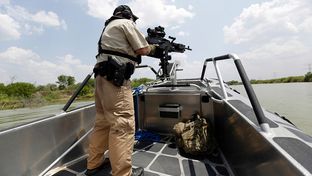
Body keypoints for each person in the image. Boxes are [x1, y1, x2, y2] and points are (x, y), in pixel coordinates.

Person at [85, 5, 155, 176]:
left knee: (102, 123)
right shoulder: (126, 23)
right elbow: (143, 49)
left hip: (101, 79)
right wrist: (154, 47)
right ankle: (123, 173)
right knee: (123, 125)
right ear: (128, 15)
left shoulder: (109, 27)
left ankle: (93, 164)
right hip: (116, 81)